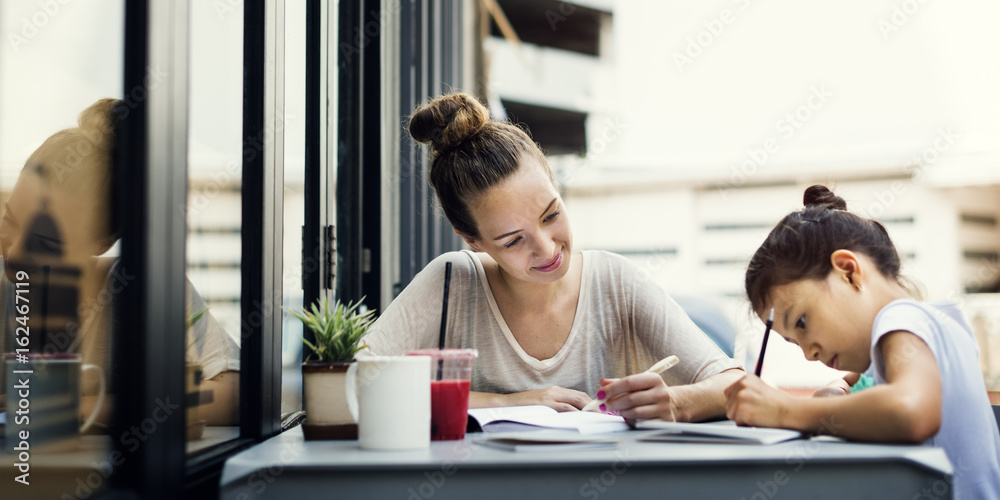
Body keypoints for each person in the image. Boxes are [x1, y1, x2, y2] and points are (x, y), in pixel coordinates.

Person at [364, 93, 743, 421]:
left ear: (556, 184)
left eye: (551, 215)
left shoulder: (616, 283)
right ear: (473, 240)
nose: (547, 249)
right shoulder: (451, 284)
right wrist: (508, 404)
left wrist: (676, 401)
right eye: (513, 241)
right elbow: (356, 384)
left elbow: (737, 384)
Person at [724, 185, 1000, 499]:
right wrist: (839, 390)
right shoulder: (932, 320)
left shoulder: (900, 320)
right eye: (792, 342)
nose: (809, 354)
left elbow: (911, 411)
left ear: (848, 272)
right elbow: (865, 376)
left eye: (801, 322)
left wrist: (785, 411)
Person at [0, 98, 240, 427]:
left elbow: (231, 394)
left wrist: (75, 409)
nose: (13, 257)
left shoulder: (135, 286)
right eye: (10, 221)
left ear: (101, 243)